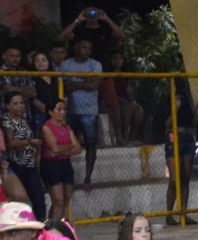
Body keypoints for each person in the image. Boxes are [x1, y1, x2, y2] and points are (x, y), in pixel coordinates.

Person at [60, 38, 103, 189]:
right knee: (66, 144)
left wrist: (76, 85)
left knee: (90, 145)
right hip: (70, 110)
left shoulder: (95, 65)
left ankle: (87, 178)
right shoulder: (66, 64)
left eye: (89, 48)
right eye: (83, 47)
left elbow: (94, 85)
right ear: (76, 48)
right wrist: (84, 84)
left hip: (89, 111)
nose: (86, 51)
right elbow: (64, 85)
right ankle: (66, 177)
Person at [2, 92, 44, 221]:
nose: (19, 106)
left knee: (38, 198)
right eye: (15, 103)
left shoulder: (24, 120)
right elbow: (10, 143)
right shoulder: (7, 121)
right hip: (17, 164)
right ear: (8, 106)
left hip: (30, 164)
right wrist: (30, 143)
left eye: (21, 103)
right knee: (20, 199)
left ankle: (40, 227)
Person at [164, 86, 198, 225]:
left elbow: (192, 123)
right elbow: (166, 124)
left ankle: (183, 214)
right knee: (174, 180)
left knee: (185, 179)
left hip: (187, 138)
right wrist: (175, 108)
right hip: (173, 137)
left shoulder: (187, 104)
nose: (179, 98)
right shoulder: (167, 103)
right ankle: (169, 214)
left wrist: (197, 108)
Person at [40, 99, 82, 223]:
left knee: (67, 197)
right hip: (50, 165)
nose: (63, 112)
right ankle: (52, 228)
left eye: (64, 109)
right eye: (59, 109)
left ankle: (61, 225)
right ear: (50, 112)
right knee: (58, 200)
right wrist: (69, 146)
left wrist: (61, 150)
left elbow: (78, 148)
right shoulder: (46, 127)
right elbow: (55, 148)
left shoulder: (66, 127)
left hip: (64, 163)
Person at [101, 51, 144, 146]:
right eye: (115, 58)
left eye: (120, 58)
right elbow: (108, 93)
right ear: (111, 60)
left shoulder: (126, 74)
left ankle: (130, 138)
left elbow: (129, 91)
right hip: (112, 101)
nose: (118, 60)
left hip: (126, 101)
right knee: (126, 107)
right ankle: (121, 138)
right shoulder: (107, 74)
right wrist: (123, 101)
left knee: (139, 111)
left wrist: (131, 98)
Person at [58, 7, 125, 58]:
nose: (92, 15)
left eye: (94, 13)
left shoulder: (104, 29)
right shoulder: (79, 30)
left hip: (102, 63)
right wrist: (78, 20)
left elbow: (122, 36)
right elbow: (62, 37)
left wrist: (107, 19)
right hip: (82, 63)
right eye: (89, 13)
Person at [0, 46, 36, 122]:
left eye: (18, 56)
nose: (15, 59)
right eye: (12, 56)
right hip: (8, 117)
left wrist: (15, 92)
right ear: (4, 57)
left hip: (26, 116)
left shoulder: (23, 71)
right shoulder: (1, 71)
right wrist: (24, 91)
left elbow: (33, 92)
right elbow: (9, 89)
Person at [30, 51, 59, 120]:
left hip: (58, 113)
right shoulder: (31, 78)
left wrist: (58, 111)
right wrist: (50, 113)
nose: (41, 63)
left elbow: (64, 97)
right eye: (37, 61)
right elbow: (34, 101)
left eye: (43, 60)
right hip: (40, 114)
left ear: (49, 61)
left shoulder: (56, 77)